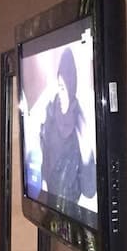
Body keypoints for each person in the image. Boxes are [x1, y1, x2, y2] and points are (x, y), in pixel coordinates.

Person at [39, 47, 96, 211]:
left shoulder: (80, 123)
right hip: (47, 206)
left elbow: (89, 191)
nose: (61, 94)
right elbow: (44, 161)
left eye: (64, 88)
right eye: (59, 86)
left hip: (68, 213)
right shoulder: (49, 113)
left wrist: (87, 156)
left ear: (72, 88)